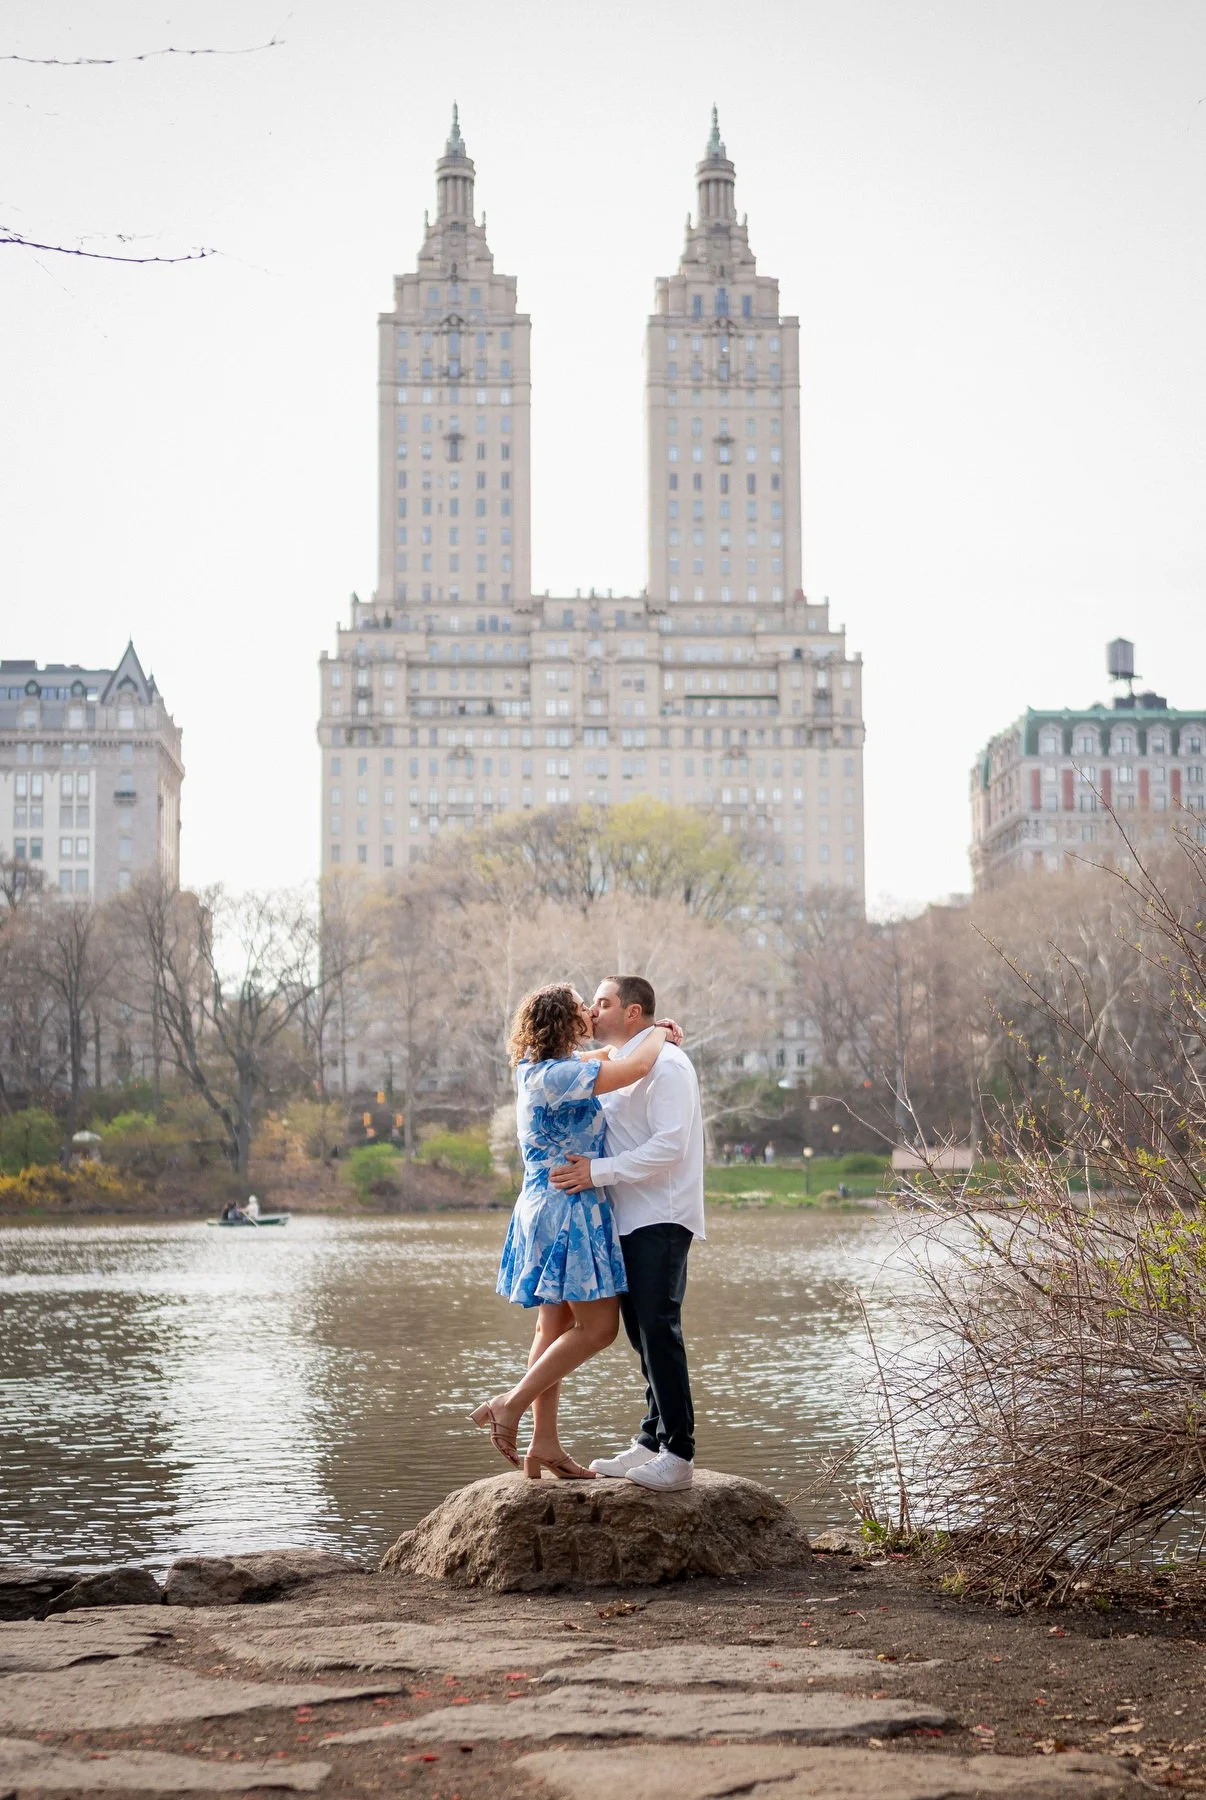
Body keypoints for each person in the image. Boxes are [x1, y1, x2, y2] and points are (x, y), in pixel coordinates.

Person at [471, 982, 669, 1480]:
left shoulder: (543, 1069)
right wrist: (657, 1031)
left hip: (548, 1204)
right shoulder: (559, 1075)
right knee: (600, 1329)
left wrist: (645, 1036)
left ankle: (545, 1444)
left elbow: (607, 1054)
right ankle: (509, 1404)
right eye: (582, 1005)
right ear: (564, 1022)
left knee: (552, 1327)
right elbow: (636, 1067)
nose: (589, 1010)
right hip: (567, 1207)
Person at [550, 975, 705, 1493]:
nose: (593, 1012)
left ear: (633, 1013)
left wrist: (596, 1172)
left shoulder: (670, 1065)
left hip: (660, 1214)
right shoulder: (625, 1063)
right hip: (626, 1216)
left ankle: (679, 1454)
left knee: (659, 1328)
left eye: (603, 1002)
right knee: (640, 1332)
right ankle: (651, 1439)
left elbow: (669, 1148)